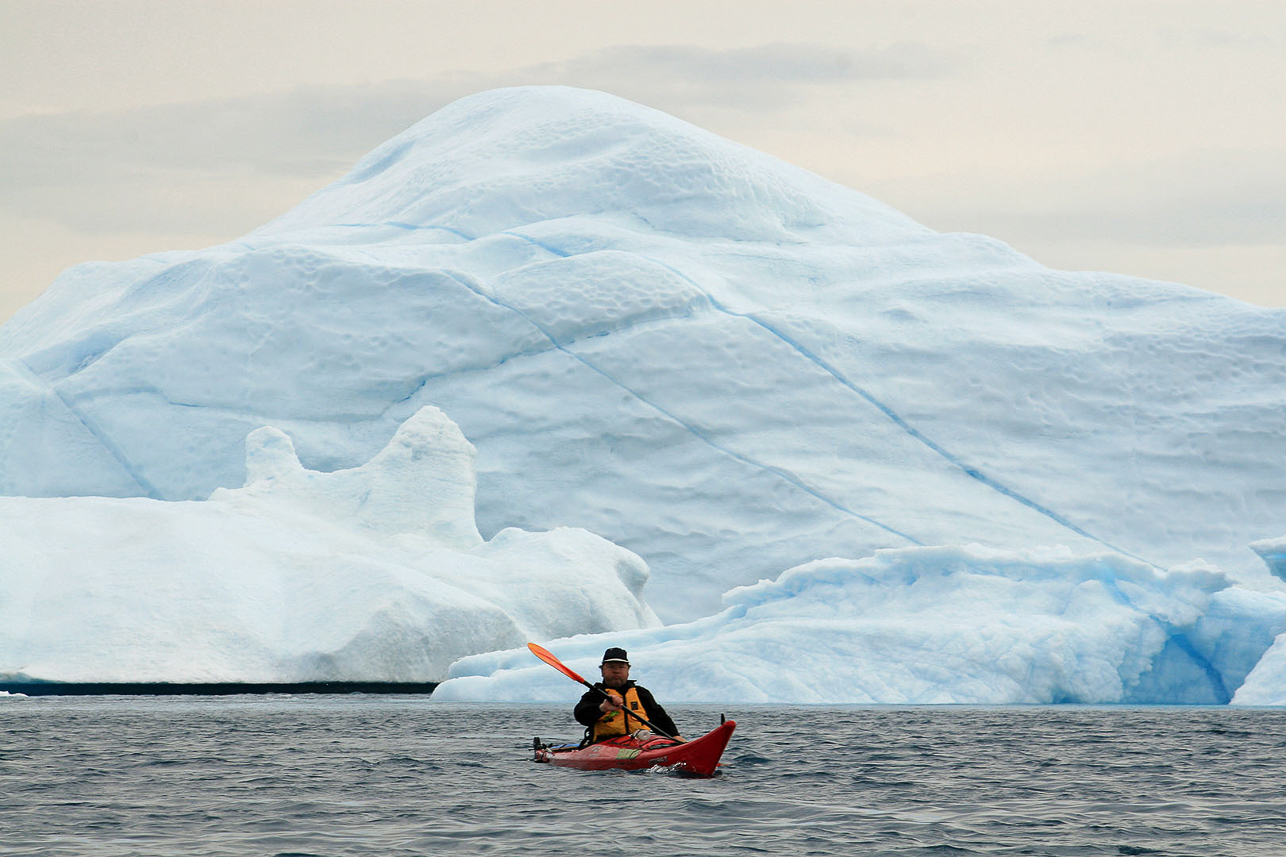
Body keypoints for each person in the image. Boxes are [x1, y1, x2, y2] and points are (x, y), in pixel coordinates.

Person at [574, 647, 681, 745]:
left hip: (640, 742)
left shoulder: (641, 693)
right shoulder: (595, 694)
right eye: (611, 667)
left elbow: (660, 718)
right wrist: (602, 708)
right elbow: (580, 715)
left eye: (621, 667)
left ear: (628, 670)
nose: (616, 671)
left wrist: (675, 736)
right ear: (602, 671)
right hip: (605, 744)